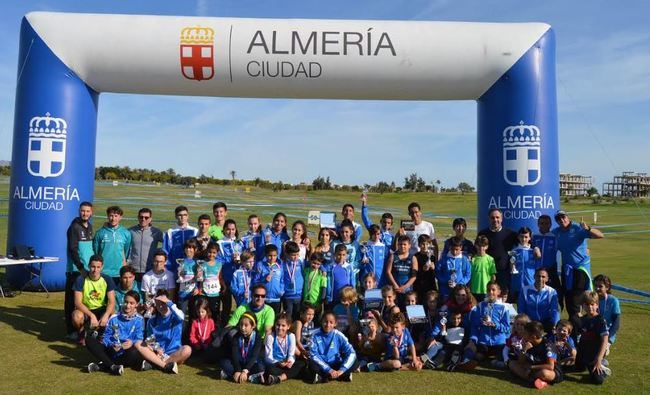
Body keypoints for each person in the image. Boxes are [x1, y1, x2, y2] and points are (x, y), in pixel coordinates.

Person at [552, 210, 604, 331]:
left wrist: (588, 229)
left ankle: (581, 329)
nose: (561, 220)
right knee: (569, 300)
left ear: (567, 217)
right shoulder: (556, 232)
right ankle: (574, 328)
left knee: (578, 300)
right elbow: (544, 237)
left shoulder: (577, 228)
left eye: (563, 217)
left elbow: (600, 235)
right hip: (567, 271)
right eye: (558, 219)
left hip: (580, 270)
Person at [85, 290, 144, 375]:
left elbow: (140, 338)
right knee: (89, 340)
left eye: (132, 303)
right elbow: (106, 337)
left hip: (127, 352)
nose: (128, 305)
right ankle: (112, 366)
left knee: (134, 352)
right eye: (126, 302)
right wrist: (112, 344)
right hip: (112, 350)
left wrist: (132, 342)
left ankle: (104, 365)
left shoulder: (139, 319)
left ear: (137, 304)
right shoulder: (114, 318)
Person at [136, 290, 192, 374]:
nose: (161, 307)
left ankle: (155, 363)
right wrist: (156, 348)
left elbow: (182, 316)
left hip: (174, 353)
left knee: (187, 349)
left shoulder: (176, 316)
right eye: (158, 304)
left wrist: (168, 302)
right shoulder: (152, 320)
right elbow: (149, 338)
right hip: (158, 352)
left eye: (163, 303)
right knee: (138, 344)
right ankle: (165, 366)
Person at [461, 282, 510, 369]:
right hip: (484, 342)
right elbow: (475, 325)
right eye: (488, 290)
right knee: (477, 356)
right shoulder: (480, 306)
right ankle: (465, 362)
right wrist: (473, 339)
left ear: (498, 292)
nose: (490, 292)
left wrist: (495, 325)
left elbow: (507, 328)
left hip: (499, 342)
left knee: (501, 357)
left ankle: (499, 362)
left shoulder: (503, 307)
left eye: (493, 290)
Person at [71, 255, 116, 346]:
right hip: (86, 309)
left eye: (98, 267)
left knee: (112, 314)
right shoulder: (81, 279)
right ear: (88, 266)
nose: (95, 270)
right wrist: (91, 315)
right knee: (76, 316)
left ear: (102, 267)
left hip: (101, 308)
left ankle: (101, 334)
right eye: (93, 267)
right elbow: (77, 302)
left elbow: (112, 301)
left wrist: (106, 315)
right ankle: (82, 333)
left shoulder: (107, 279)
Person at [65, 201, 94, 340]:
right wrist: (80, 267)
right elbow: (73, 250)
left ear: (91, 212)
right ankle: (72, 331)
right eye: (83, 211)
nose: (85, 213)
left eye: (88, 211)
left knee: (84, 300)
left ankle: (83, 328)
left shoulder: (90, 227)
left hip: (87, 270)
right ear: (79, 211)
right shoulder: (74, 227)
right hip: (76, 270)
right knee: (71, 301)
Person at [508, 321, 563, 389]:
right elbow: (520, 362)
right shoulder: (528, 343)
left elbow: (550, 366)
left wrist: (531, 367)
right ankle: (536, 380)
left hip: (551, 371)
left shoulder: (548, 345)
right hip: (533, 369)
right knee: (512, 363)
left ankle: (530, 378)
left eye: (525, 333)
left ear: (533, 336)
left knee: (544, 373)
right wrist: (524, 350)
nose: (523, 335)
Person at [308, 312, 358, 383]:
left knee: (355, 362)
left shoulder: (339, 335)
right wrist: (329, 370)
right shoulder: (314, 335)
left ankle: (325, 377)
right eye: (325, 322)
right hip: (322, 365)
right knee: (311, 364)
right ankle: (343, 376)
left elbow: (351, 352)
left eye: (331, 322)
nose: (328, 325)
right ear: (321, 321)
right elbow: (313, 355)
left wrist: (341, 370)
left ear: (335, 324)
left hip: (336, 364)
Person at [575, 291, 611, 384]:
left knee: (597, 380)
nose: (590, 307)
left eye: (592, 304)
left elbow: (604, 341)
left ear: (597, 305)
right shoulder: (582, 319)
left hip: (594, 355)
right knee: (577, 369)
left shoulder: (600, 320)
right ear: (583, 305)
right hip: (583, 353)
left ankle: (602, 365)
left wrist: (598, 359)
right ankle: (587, 363)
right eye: (587, 304)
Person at [477, 208, 517, 291]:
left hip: (503, 273)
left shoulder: (510, 234)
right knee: (488, 298)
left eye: (497, 217)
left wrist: (535, 248)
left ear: (501, 218)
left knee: (503, 299)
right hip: (486, 273)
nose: (495, 220)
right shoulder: (482, 234)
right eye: (492, 217)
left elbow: (525, 242)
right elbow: (476, 251)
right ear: (489, 219)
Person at [219, 312, 265, 383]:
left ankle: (230, 375)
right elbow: (235, 355)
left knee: (261, 367)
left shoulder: (258, 337)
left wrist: (245, 370)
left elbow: (254, 356)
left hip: (251, 364)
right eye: (241, 325)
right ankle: (249, 377)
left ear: (253, 326)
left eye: (246, 325)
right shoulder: (236, 336)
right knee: (224, 363)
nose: (243, 328)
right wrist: (238, 370)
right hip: (239, 363)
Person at [263, 313, 306, 385]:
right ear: (275, 324)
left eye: (283, 326)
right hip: (275, 364)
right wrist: (278, 363)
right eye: (278, 325)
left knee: (302, 364)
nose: (280, 328)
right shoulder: (270, 337)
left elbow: (291, 354)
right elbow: (268, 357)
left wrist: (290, 362)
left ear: (288, 326)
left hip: (287, 364)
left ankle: (279, 378)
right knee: (270, 370)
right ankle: (292, 374)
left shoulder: (291, 336)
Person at [93, 206, 131, 284]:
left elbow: (126, 251)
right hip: (103, 271)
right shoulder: (100, 233)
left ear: (120, 217)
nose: (113, 219)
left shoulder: (126, 233)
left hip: (119, 272)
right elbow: (96, 251)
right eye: (111, 216)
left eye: (116, 216)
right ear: (107, 216)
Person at [518, 268, 560, 334]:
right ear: (534, 277)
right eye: (538, 276)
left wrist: (555, 325)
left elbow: (554, 310)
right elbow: (521, 309)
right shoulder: (525, 290)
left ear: (547, 279)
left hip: (545, 322)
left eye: (543, 277)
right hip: (530, 322)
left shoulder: (552, 291)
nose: (540, 279)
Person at [128, 208, 163, 282]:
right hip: (133, 269)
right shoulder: (130, 231)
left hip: (150, 269)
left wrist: (159, 253)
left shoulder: (156, 232)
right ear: (138, 217)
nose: (143, 219)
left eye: (146, 217)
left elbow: (168, 244)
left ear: (150, 219)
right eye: (141, 217)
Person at [162, 205, 198, 276]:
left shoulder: (195, 231)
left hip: (191, 267)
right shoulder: (170, 232)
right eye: (180, 215)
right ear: (176, 216)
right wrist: (169, 268)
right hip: (175, 267)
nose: (182, 217)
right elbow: (166, 251)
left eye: (185, 215)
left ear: (188, 216)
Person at [385, 235, 418, 308]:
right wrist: (395, 285)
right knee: (395, 308)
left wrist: (405, 286)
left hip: (407, 289)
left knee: (408, 308)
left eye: (404, 244)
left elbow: (414, 276)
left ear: (409, 245)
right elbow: (388, 272)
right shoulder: (393, 256)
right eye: (400, 244)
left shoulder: (413, 258)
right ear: (397, 245)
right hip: (395, 288)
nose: (402, 246)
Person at [509, 227, 539, 302]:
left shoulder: (533, 251)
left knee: (531, 304)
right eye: (521, 236)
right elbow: (512, 265)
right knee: (520, 305)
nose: (524, 239)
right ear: (518, 237)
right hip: (517, 283)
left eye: (526, 237)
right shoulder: (514, 251)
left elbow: (538, 263)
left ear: (529, 238)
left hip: (530, 282)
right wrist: (512, 268)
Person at [532, 214, 561, 292]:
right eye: (541, 223)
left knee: (555, 293)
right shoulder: (534, 237)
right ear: (538, 224)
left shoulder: (555, 237)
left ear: (550, 224)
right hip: (536, 271)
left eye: (546, 223)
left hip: (551, 270)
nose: (544, 225)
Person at [253, 244, 284, 314]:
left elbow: (282, 280)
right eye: (270, 256)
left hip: (276, 298)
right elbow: (255, 281)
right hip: (264, 298)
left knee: (275, 318)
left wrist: (281, 290)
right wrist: (264, 280)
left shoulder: (280, 266)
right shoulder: (260, 265)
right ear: (266, 255)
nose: (272, 258)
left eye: (274, 256)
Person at [593, 274, 621, 350]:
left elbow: (616, 322)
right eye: (595, 285)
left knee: (602, 350)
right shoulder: (592, 299)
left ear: (607, 287)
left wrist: (607, 339)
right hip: (594, 332)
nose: (597, 288)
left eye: (600, 286)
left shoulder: (613, 301)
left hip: (607, 333)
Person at [201, 242, 225, 321]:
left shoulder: (219, 264)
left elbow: (219, 277)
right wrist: (200, 288)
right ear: (207, 251)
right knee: (205, 310)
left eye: (214, 253)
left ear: (217, 253)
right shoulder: (202, 264)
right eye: (210, 252)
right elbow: (201, 278)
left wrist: (224, 286)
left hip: (215, 293)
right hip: (205, 292)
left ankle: (214, 328)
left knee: (214, 311)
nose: (211, 254)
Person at [281, 241, 304, 320]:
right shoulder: (283, 264)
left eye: (297, 254)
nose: (296, 257)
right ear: (287, 254)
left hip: (298, 295)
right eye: (293, 255)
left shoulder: (300, 263)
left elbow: (313, 264)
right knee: (288, 316)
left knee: (297, 316)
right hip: (287, 296)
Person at [326, 244, 353, 309]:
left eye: (343, 255)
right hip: (334, 298)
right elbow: (328, 283)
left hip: (346, 298)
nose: (341, 257)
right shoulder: (331, 267)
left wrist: (352, 294)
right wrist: (328, 296)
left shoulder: (349, 267)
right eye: (339, 254)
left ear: (346, 255)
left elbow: (352, 281)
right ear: (335, 254)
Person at [470, 235, 497, 302]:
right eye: (479, 245)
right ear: (475, 246)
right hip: (474, 290)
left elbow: (493, 276)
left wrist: (492, 290)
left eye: (483, 246)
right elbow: (469, 275)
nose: (481, 248)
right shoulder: (472, 259)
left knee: (485, 310)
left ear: (486, 247)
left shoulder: (490, 259)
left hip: (486, 291)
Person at [413, 234, 437, 304]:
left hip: (430, 285)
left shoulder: (432, 257)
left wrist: (434, 268)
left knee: (430, 303)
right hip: (419, 285)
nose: (425, 246)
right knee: (420, 304)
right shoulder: (415, 256)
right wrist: (422, 269)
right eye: (423, 244)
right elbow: (414, 272)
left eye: (427, 244)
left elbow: (436, 273)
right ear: (419, 245)